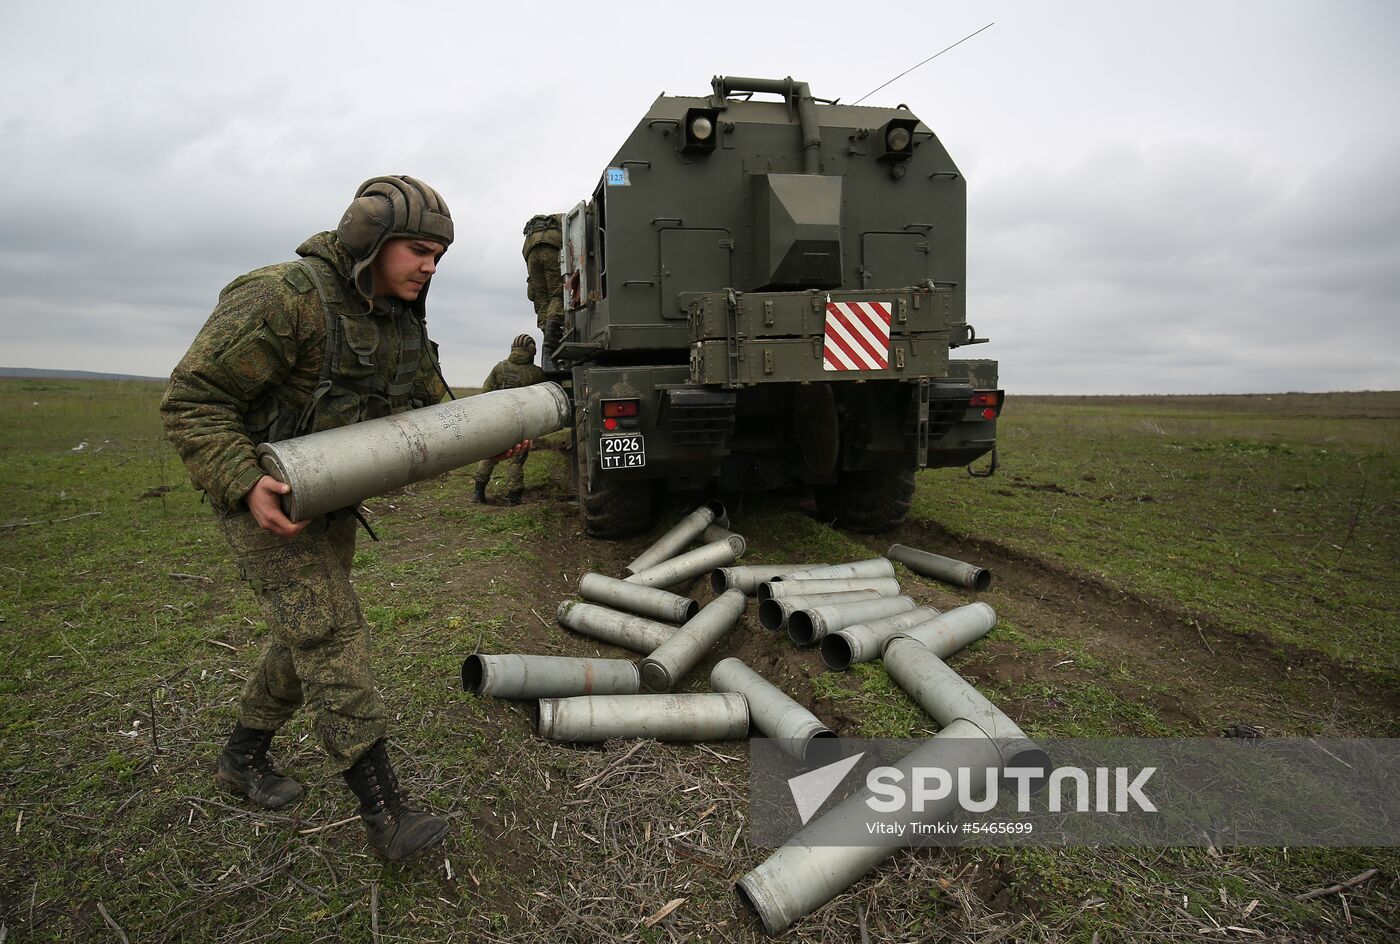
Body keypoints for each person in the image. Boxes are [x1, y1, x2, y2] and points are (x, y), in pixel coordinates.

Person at [161, 175, 524, 862]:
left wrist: (493, 433)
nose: (430, 267)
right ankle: (386, 816)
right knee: (330, 633)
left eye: (439, 256)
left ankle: (241, 757)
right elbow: (190, 400)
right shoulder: (283, 298)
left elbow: (432, 415)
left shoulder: (400, 323)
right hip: (262, 501)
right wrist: (245, 483)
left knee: (303, 639)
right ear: (371, 240)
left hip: (330, 502)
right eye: (418, 249)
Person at [470, 333, 547, 505]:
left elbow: (486, 391)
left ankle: (477, 493)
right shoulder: (537, 373)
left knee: (489, 456)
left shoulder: (500, 367)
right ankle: (514, 498)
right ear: (531, 351)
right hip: (521, 423)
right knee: (516, 460)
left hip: (497, 420)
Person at [522, 213, 564, 350]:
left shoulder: (531, 231)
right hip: (550, 248)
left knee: (541, 300)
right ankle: (551, 333)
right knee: (557, 294)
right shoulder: (559, 221)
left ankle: (547, 333)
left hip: (531, 254)